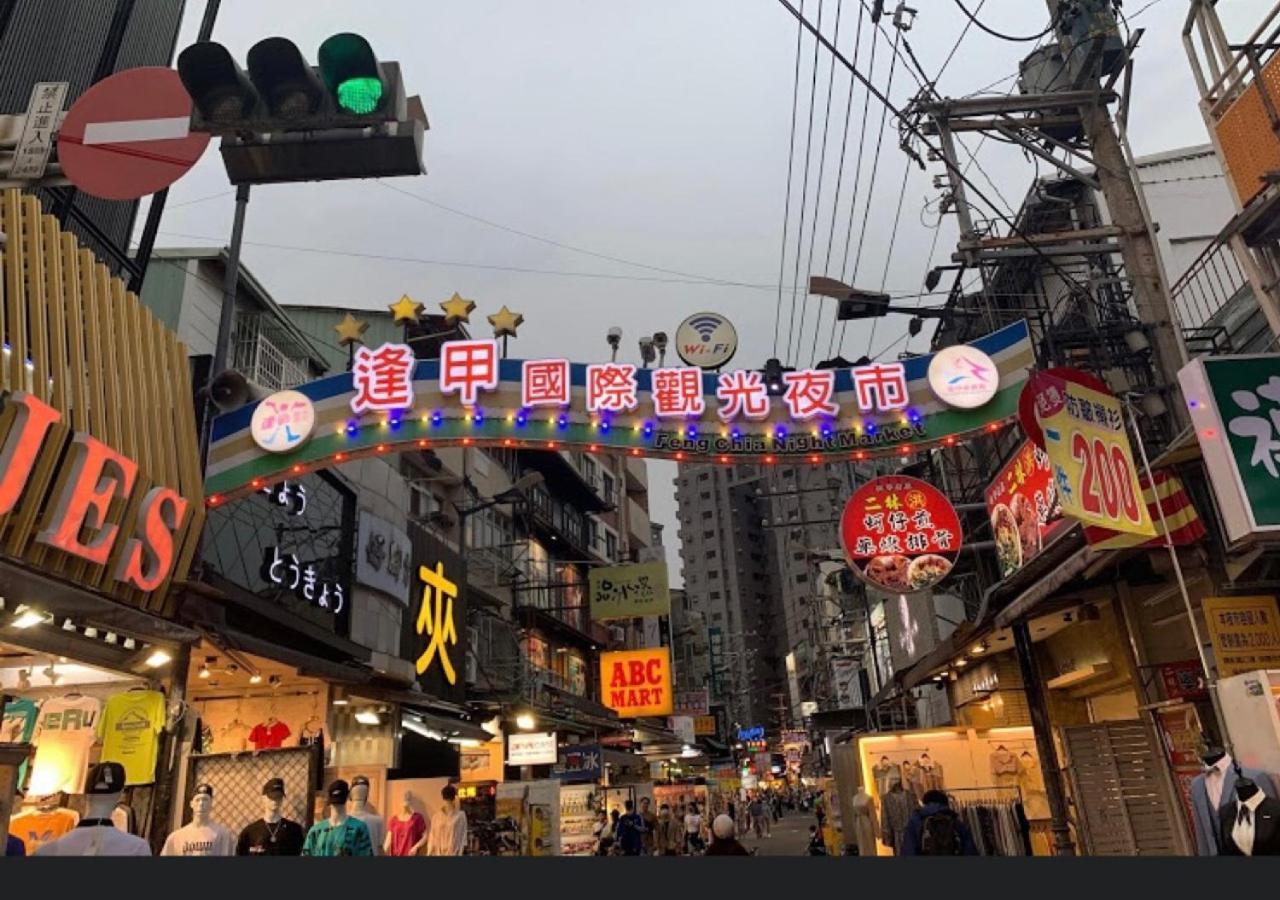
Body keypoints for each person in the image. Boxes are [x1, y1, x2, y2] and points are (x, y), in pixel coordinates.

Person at [899, 790, 978, 856]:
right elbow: (970, 850)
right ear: (945, 803)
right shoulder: (955, 820)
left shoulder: (916, 820)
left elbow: (908, 849)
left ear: (925, 803)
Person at [425, 784, 468, 856]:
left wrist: (460, 853)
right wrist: (428, 853)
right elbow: (432, 837)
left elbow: (463, 839)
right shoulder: (436, 817)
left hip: (453, 854)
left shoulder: (461, 816)